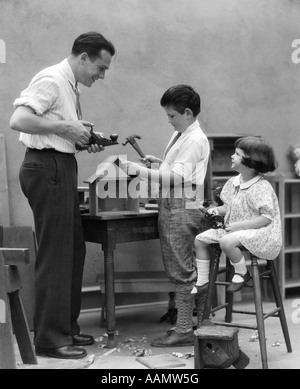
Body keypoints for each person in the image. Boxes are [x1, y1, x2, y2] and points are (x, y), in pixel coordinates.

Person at [9, 32, 115, 359]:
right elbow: (19, 119)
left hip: (61, 164)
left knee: (72, 251)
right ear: (82, 57)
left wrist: (82, 137)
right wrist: (66, 129)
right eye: (99, 67)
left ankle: (66, 328)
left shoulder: (69, 86)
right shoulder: (52, 79)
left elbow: (58, 127)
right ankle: (50, 339)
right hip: (47, 167)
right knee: (56, 255)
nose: (101, 75)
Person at [120, 85, 210, 347]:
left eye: (172, 116)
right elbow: (180, 169)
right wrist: (160, 163)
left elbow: (179, 178)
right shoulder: (184, 134)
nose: (169, 120)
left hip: (179, 206)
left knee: (181, 271)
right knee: (189, 269)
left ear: (188, 112)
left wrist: (140, 170)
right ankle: (201, 325)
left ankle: (184, 329)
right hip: (182, 202)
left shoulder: (192, 139)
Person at [192, 136, 282, 298]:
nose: (232, 156)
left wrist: (239, 226)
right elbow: (229, 207)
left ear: (251, 160)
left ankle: (242, 272)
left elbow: (266, 218)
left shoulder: (261, 187)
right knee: (200, 239)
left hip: (261, 231)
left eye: (237, 154)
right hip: (235, 229)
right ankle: (203, 280)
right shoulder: (233, 182)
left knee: (226, 241)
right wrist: (216, 211)